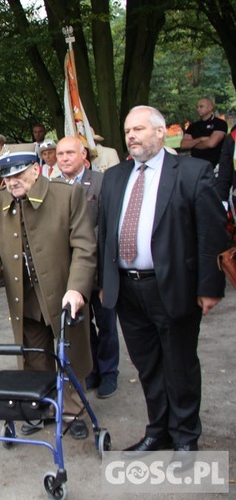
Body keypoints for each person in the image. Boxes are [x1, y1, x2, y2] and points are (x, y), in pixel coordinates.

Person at [97, 105, 228, 453]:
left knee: (180, 364)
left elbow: (211, 235)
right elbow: (105, 235)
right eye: (127, 131)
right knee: (148, 366)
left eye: (139, 129)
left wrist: (209, 287)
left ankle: (186, 437)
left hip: (173, 286)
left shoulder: (191, 172)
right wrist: (103, 281)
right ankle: (159, 431)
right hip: (127, 288)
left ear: (160, 132)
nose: (131, 136)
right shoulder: (114, 177)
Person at [0, 151, 97, 440]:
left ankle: (72, 411)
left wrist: (77, 288)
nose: (11, 182)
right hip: (24, 294)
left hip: (63, 292)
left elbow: (84, 246)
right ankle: (39, 406)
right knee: (33, 354)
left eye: (18, 175)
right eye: (6, 177)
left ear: (35, 170)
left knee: (70, 352)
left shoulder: (67, 195)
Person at [56, 136, 119, 398]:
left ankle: (109, 373)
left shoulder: (102, 182)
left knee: (106, 324)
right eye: (60, 154)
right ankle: (90, 370)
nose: (64, 158)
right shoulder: (52, 187)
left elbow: (107, 227)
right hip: (71, 273)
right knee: (81, 325)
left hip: (100, 268)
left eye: (70, 152)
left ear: (84, 155)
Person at [180, 97, 228, 169]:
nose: (198, 109)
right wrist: (201, 139)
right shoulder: (193, 126)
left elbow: (211, 143)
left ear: (210, 108)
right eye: (197, 107)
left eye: (201, 106)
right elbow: (183, 145)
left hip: (215, 165)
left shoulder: (220, 123)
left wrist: (192, 144)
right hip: (197, 165)